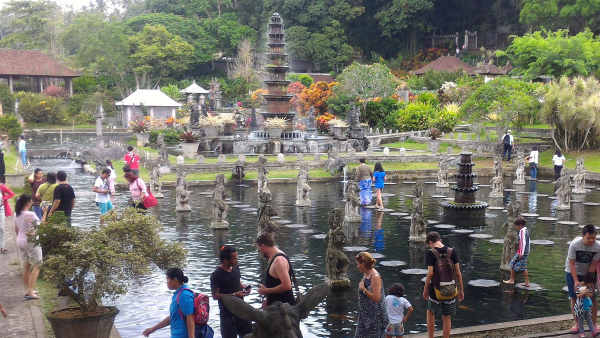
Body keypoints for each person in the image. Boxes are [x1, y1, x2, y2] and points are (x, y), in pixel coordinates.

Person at [423, 231, 464, 338]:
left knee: (431, 313)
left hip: (435, 290)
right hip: (451, 289)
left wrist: (425, 289)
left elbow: (430, 273)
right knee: (447, 317)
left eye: (429, 244)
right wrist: (461, 290)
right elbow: (458, 273)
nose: (430, 246)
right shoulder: (452, 251)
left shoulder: (430, 253)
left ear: (431, 242)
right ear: (439, 240)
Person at [210, 245, 252, 338]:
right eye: (234, 258)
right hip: (227, 316)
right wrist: (233, 295)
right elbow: (215, 295)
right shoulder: (216, 274)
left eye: (237, 257)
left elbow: (237, 281)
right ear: (225, 260)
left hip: (242, 311)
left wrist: (245, 287)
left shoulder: (236, 267)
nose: (237, 260)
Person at [565, 225, 600, 334]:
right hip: (572, 272)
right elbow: (571, 263)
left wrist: (588, 282)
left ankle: (594, 324)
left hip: (588, 272)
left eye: (593, 238)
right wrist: (576, 281)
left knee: (592, 298)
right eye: (589, 238)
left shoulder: (598, 247)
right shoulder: (575, 244)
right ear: (583, 236)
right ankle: (577, 324)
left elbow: (593, 265)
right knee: (575, 298)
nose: (591, 240)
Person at [143, 268, 195, 338]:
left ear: (175, 279)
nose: (166, 282)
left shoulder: (184, 295)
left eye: (167, 279)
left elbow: (190, 318)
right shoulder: (178, 294)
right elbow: (172, 317)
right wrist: (152, 329)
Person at [14, 195, 42, 300]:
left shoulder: (16, 214)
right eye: (31, 200)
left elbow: (16, 229)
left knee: (26, 266)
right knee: (37, 265)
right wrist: (44, 214)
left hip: (20, 240)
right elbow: (39, 226)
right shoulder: (30, 214)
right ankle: (30, 292)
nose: (32, 202)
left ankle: (28, 290)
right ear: (28, 202)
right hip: (31, 241)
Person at [256, 232, 296, 306]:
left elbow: (287, 286)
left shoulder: (279, 261)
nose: (260, 252)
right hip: (276, 307)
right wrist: (267, 300)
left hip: (284, 310)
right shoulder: (273, 257)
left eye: (259, 249)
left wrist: (266, 291)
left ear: (263, 246)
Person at [355, 251, 388, 337]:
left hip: (375, 316)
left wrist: (364, 289)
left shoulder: (375, 277)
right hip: (365, 314)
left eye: (358, 264)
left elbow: (377, 298)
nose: (357, 266)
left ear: (363, 264)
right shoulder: (366, 274)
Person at [503, 217, 530, 287]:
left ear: (520, 225)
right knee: (523, 267)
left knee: (512, 263)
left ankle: (511, 280)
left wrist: (521, 253)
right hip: (525, 251)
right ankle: (526, 283)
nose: (516, 227)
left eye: (516, 226)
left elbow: (523, 243)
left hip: (522, 252)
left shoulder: (522, 231)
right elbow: (528, 242)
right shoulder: (526, 230)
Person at [0, 176, 14, 254]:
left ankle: (2, 247)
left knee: (2, 228)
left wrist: (4, 198)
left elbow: (12, 193)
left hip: (1, 209)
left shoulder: (2, 187)